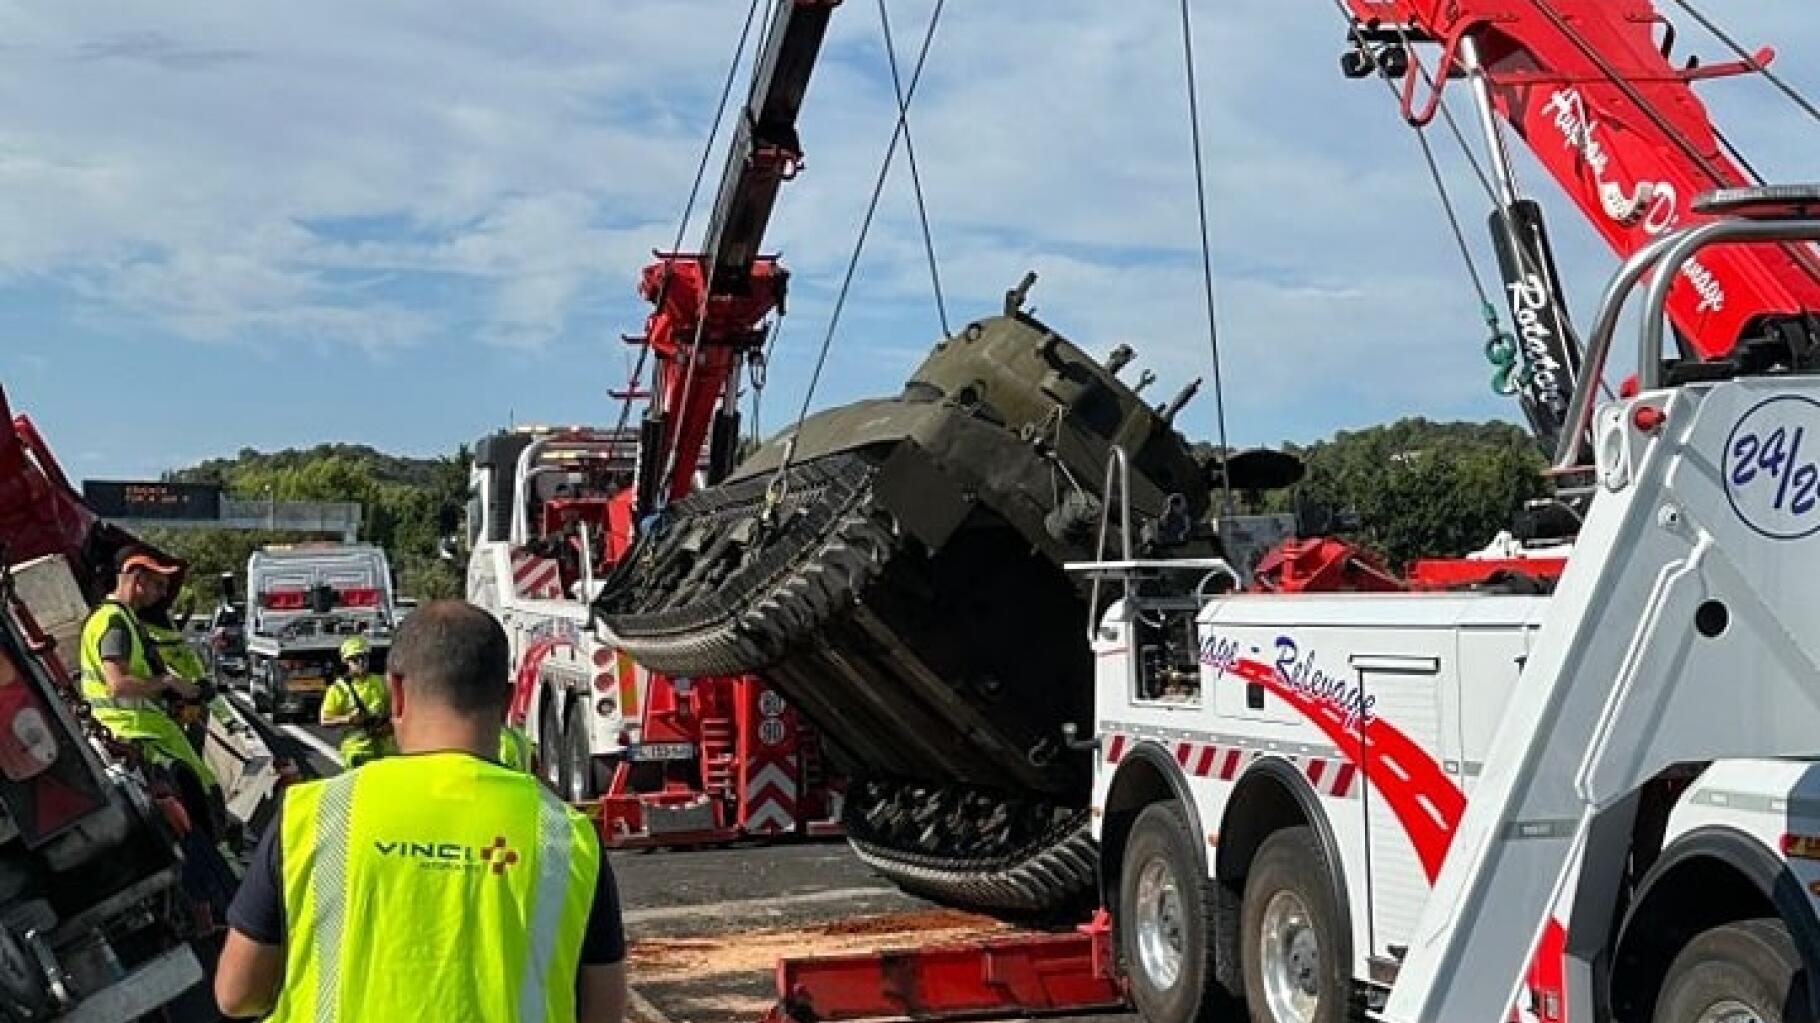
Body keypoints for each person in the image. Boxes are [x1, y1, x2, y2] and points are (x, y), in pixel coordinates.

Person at [215, 600, 627, 1022]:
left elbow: (237, 993)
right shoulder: (568, 836)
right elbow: (604, 1012)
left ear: (395, 692)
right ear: (507, 700)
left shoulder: (312, 814)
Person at [78, 548, 218, 795]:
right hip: (138, 732)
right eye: (158, 584)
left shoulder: (121, 618)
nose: (163, 593)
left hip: (133, 729)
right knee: (204, 789)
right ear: (138, 578)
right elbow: (119, 686)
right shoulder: (115, 622)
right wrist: (168, 682)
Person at [317, 636, 396, 768]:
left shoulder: (380, 681)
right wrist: (348, 719)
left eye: (364, 657)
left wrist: (389, 725)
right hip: (357, 752)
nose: (361, 662)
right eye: (355, 659)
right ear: (346, 662)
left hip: (385, 749)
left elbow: (395, 709)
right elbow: (324, 720)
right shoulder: (338, 688)